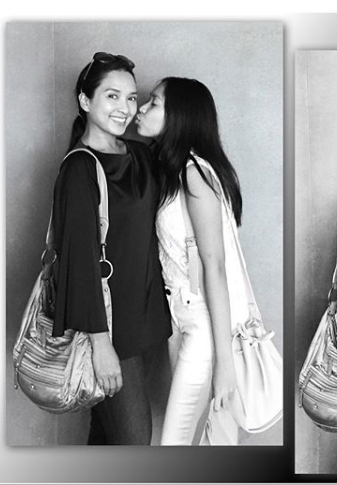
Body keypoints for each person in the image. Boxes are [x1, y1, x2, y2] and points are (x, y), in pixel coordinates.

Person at [52, 52, 172, 445]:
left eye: (132, 98)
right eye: (112, 96)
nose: (125, 107)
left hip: (146, 321)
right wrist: (101, 345)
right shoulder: (79, 168)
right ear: (85, 101)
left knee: (106, 438)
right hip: (109, 332)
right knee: (134, 442)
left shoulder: (141, 154)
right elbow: (80, 263)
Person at [136, 77, 246, 445]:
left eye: (154, 102)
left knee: (175, 442)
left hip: (203, 325)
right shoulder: (172, 170)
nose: (141, 109)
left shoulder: (194, 173)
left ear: (179, 116)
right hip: (179, 319)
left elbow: (216, 266)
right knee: (194, 443)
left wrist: (225, 364)